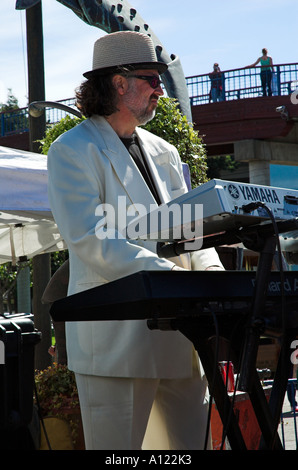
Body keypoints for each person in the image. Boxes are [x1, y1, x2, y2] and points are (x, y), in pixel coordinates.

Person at [47, 31, 224, 450]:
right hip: (117, 343)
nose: (160, 89)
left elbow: (192, 229)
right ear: (118, 83)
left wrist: (214, 277)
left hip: (182, 342)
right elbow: (92, 239)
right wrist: (175, 279)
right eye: (151, 78)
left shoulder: (166, 151)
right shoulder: (71, 149)